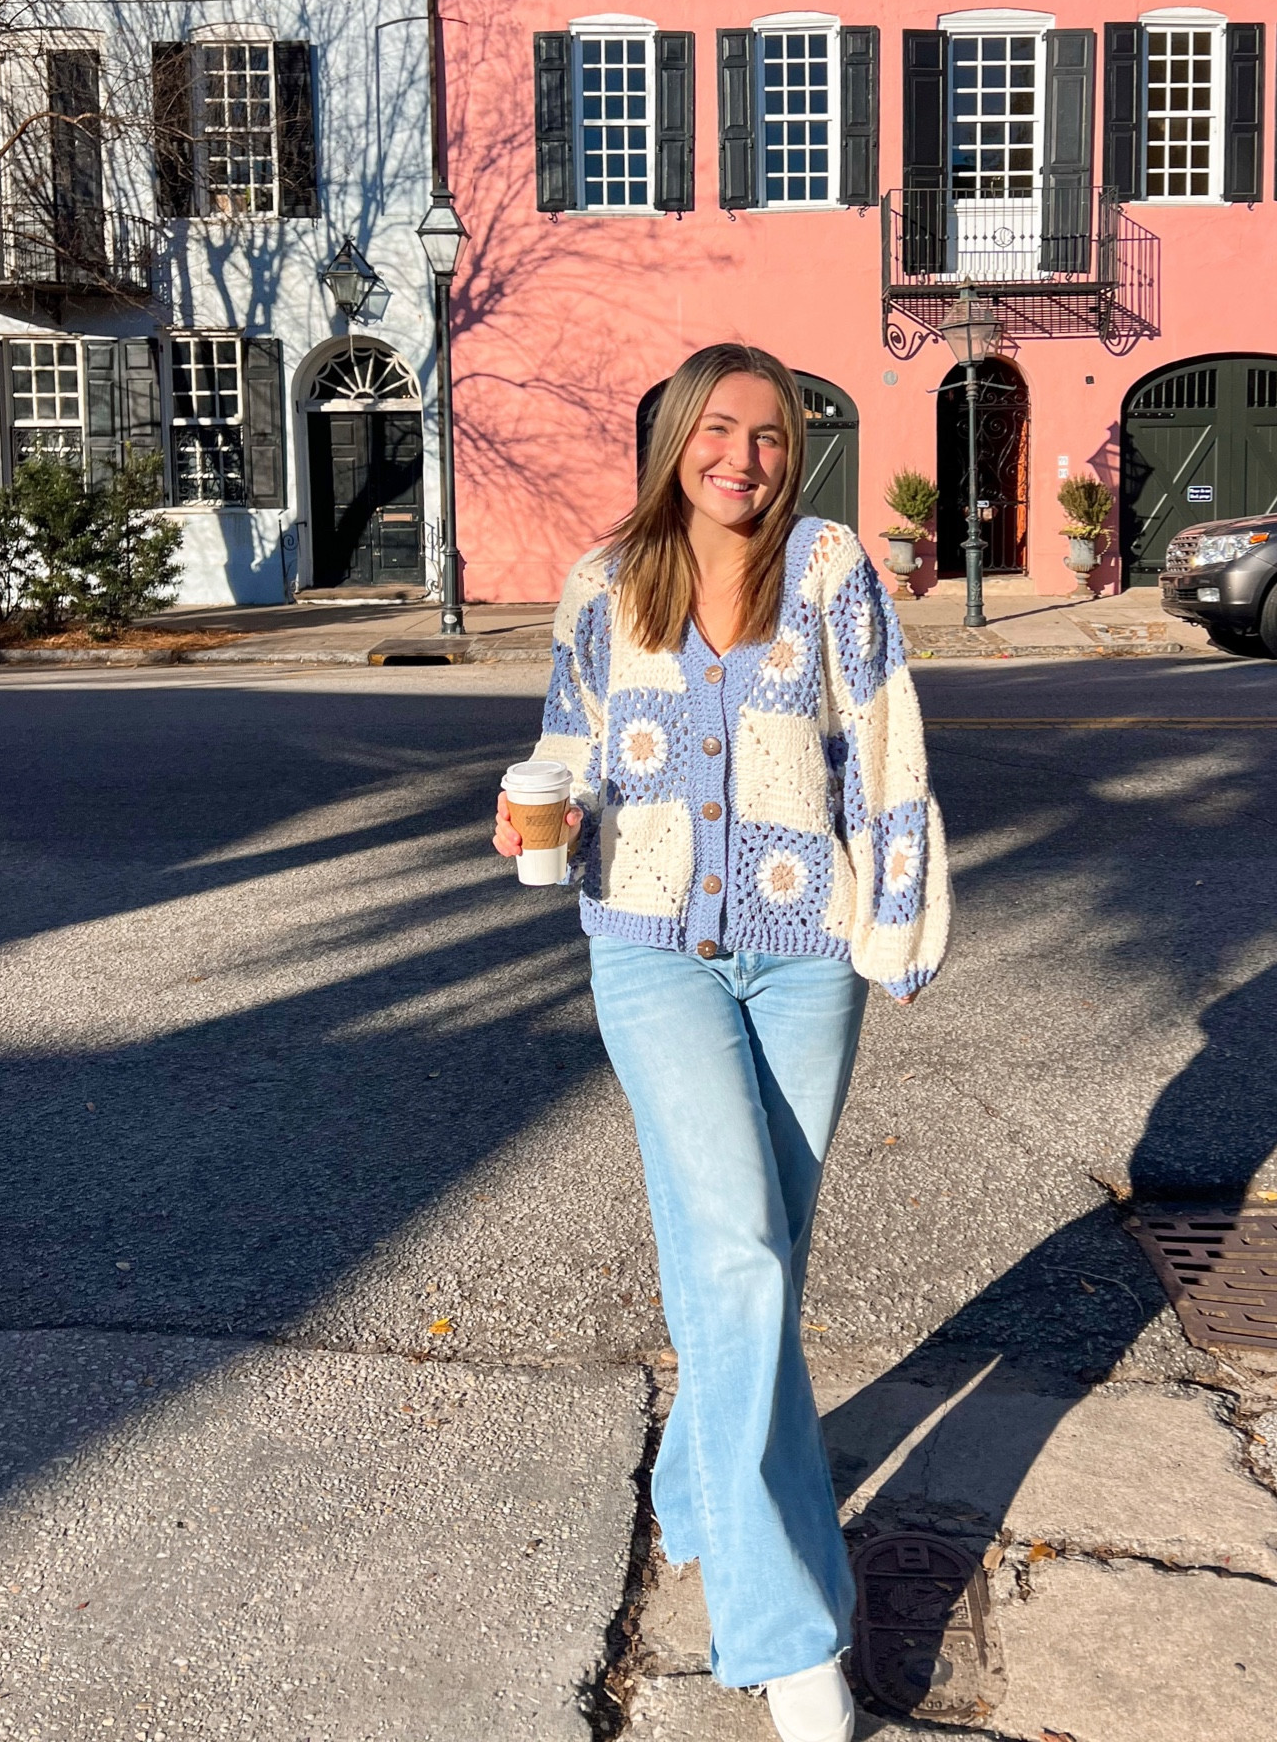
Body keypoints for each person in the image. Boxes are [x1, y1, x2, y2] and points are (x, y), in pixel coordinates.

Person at [494, 343, 949, 1742]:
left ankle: (693, 1491)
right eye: (719, 428)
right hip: (648, 950)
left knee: (759, 1262)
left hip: (806, 954)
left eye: (769, 434)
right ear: (677, 437)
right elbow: (568, 744)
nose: (742, 456)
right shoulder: (604, 580)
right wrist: (531, 814)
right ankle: (788, 1631)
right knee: (739, 1255)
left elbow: (882, 741)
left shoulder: (830, 570)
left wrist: (896, 920)